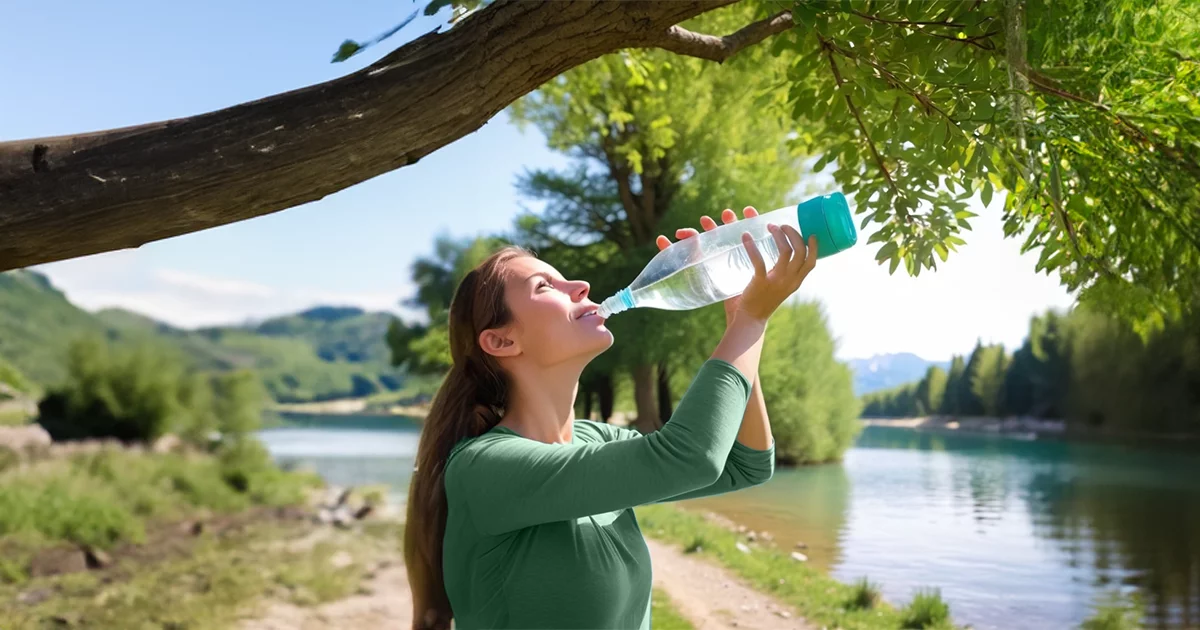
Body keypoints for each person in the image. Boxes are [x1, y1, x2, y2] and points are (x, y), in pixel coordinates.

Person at [404, 206, 819, 630]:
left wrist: (739, 315)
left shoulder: (594, 439)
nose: (581, 286)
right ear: (502, 340)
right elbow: (690, 457)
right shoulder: (483, 468)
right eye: (546, 286)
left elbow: (743, 464)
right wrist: (750, 321)